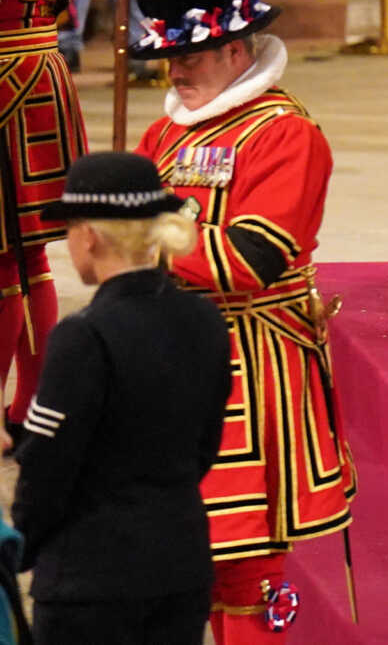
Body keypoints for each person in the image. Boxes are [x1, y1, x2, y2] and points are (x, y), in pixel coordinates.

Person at [133, 0, 354, 643]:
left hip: (252, 374)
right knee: (180, 563)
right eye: (166, 55)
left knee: (247, 569)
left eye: (188, 54)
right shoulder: (164, 133)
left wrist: (143, 232)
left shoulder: (287, 134)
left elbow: (249, 261)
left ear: (236, 48)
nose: (173, 71)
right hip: (174, 361)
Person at [11, 151, 232, 645]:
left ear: (88, 234)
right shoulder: (206, 321)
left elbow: (48, 468)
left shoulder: (83, 336)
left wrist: (20, 548)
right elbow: (204, 448)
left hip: (92, 579)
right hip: (182, 565)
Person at [0, 0, 79, 433]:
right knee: (29, 255)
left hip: (5, 86)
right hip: (43, 74)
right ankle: (32, 407)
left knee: (3, 261)